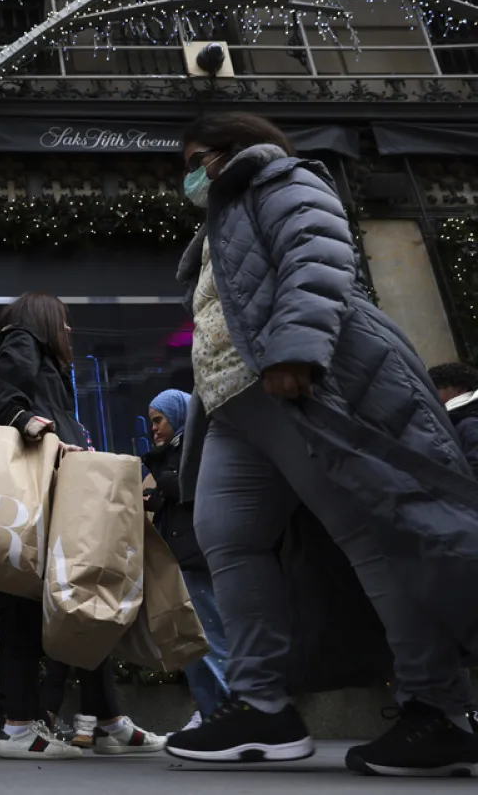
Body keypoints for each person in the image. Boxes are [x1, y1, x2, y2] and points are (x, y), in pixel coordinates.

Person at [165, 112, 478, 777]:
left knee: (367, 535)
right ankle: (261, 706)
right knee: (225, 534)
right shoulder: (219, 219)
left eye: (197, 157)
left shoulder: (281, 179)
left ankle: (438, 708)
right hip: (230, 405)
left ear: (234, 151)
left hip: (289, 388)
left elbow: (319, 249)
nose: (190, 173)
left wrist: (297, 349)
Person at [0, 292, 165, 760]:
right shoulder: (22, 342)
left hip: (53, 491)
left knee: (81, 598)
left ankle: (106, 721)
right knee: (35, 604)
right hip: (41, 495)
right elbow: (2, 400)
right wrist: (35, 427)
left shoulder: (39, 357)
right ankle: (20, 727)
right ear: (44, 321)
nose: (70, 331)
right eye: (65, 321)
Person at [143, 388, 229, 728]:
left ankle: (230, 712)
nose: (154, 429)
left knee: (210, 639)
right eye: (151, 422)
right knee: (194, 645)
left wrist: (156, 471)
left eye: (158, 420)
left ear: (177, 415)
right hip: (182, 559)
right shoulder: (176, 452)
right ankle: (211, 714)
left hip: (196, 559)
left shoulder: (193, 447)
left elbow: (185, 487)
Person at [428, 363, 478, 470]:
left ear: (460, 388)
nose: (432, 395)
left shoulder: (469, 423)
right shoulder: (464, 417)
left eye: (437, 388)